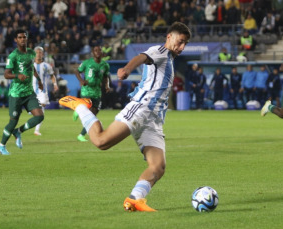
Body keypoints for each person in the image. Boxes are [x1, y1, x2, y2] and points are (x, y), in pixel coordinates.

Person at [59, 22, 191, 212]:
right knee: (101, 141)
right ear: (169, 37)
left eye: (185, 43)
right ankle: (80, 106)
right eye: (180, 42)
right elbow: (142, 57)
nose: (182, 47)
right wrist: (127, 69)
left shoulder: (169, 57)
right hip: (141, 108)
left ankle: (135, 199)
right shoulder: (160, 51)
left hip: (153, 120)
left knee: (158, 167)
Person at [0, 29, 44, 155]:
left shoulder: (30, 53)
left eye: (24, 37)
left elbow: (31, 66)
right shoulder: (13, 56)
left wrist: (39, 80)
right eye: (20, 37)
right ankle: (2, 146)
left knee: (40, 116)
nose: (23, 39)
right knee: (13, 122)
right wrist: (17, 75)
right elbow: (6, 74)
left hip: (29, 93)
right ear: (16, 40)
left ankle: (19, 131)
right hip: (16, 94)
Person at [73, 45, 110, 142]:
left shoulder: (105, 65)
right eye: (95, 50)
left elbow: (106, 77)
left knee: (93, 116)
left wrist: (107, 85)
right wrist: (81, 80)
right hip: (87, 90)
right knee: (89, 112)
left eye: (99, 50)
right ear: (93, 53)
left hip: (97, 92)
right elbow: (77, 71)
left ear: (102, 53)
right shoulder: (87, 63)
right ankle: (79, 109)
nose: (97, 52)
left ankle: (81, 135)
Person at [33, 46, 59, 136]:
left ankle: (37, 130)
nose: (38, 54)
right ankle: (34, 115)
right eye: (37, 52)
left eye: (40, 53)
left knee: (42, 105)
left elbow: (52, 76)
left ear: (43, 54)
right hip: (31, 89)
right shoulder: (29, 65)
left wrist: (55, 84)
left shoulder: (46, 66)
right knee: (35, 110)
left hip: (42, 90)